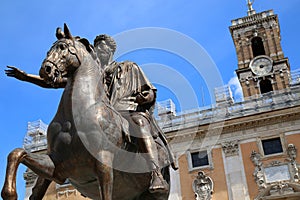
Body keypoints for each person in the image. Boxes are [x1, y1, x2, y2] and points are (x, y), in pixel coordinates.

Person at [94, 34, 178, 193]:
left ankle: (156, 173)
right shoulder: (93, 75)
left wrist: (147, 96)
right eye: (96, 47)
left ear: (111, 50)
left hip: (128, 110)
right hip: (104, 114)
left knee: (139, 123)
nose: (98, 50)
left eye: (102, 46)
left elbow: (150, 91)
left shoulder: (129, 67)